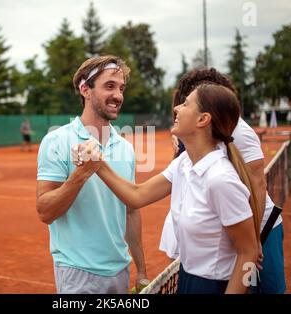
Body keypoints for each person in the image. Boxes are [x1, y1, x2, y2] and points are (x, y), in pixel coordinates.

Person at [74, 83, 260, 294]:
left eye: (186, 104)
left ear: (203, 119)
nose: (177, 109)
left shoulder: (221, 179)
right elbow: (136, 196)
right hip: (188, 277)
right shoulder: (183, 164)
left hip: (217, 285)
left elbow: (249, 253)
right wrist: (96, 164)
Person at [160, 68, 286, 294]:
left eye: (187, 103)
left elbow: (257, 185)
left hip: (260, 226)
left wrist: (255, 239)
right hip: (225, 226)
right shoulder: (191, 133)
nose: (179, 108)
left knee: (267, 288)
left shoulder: (241, 132)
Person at [36, 55, 147, 294]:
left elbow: (130, 211)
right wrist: (81, 174)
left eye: (121, 88)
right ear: (85, 89)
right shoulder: (56, 141)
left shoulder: (125, 148)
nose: (118, 95)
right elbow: (45, 211)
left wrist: (142, 271)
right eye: (109, 86)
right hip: (78, 273)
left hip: (120, 270)